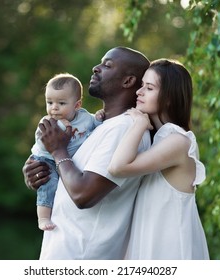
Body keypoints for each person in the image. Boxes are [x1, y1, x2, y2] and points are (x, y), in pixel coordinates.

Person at [22, 46, 150, 259]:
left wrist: (58, 150)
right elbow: (68, 172)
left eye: (107, 65)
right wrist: (40, 171)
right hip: (65, 251)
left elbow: (83, 195)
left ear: (127, 81)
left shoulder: (125, 129)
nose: (96, 68)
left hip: (84, 256)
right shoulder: (99, 126)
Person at [108, 58, 209, 259]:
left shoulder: (178, 142)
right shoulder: (158, 139)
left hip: (170, 249)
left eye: (149, 87)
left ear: (169, 97)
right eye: (142, 85)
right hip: (150, 244)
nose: (139, 91)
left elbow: (117, 167)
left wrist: (138, 123)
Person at [30, 73, 103, 231]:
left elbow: (95, 125)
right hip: (46, 158)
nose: (54, 107)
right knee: (48, 184)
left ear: (77, 105)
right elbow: (43, 144)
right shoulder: (48, 122)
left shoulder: (84, 117)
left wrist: (99, 118)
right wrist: (60, 130)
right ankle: (43, 217)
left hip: (67, 160)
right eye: (49, 102)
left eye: (61, 103)